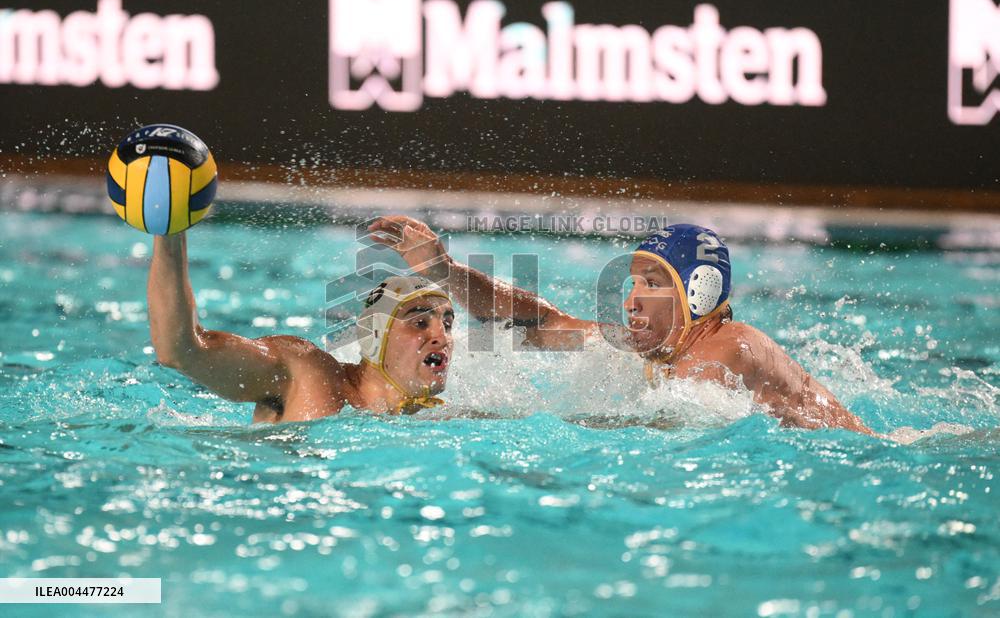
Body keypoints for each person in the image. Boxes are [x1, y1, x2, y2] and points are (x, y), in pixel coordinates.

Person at [368, 216, 875, 435]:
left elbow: (664, 426)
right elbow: (538, 320)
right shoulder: (655, 348)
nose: (630, 300)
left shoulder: (731, 348)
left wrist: (489, 420)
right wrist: (445, 271)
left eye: (652, 283)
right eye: (632, 282)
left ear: (697, 292)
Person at [147, 233, 454, 422]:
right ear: (375, 335)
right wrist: (170, 233)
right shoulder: (305, 370)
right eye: (420, 322)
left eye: (448, 323)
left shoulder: (434, 419)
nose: (441, 337)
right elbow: (180, 350)